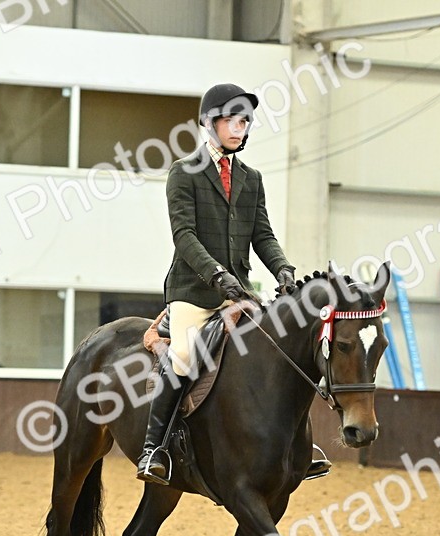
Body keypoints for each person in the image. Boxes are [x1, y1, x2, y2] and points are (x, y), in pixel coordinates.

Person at [136, 83, 330, 484]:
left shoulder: (250, 178)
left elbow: (263, 235)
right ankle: (154, 448)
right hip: (194, 291)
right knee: (185, 356)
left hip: (239, 293)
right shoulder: (183, 172)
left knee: (278, 351)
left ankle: (296, 445)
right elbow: (184, 235)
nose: (239, 128)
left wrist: (284, 270)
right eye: (232, 120)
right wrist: (216, 275)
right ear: (210, 123)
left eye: (245, 122)